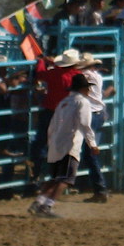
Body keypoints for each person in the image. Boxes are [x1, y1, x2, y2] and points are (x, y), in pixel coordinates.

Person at [27, 73, 98, 219]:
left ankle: (39, 201)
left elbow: (52, 125)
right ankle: (47, 205)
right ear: (83, 89)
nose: (89, 91)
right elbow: (85, 125)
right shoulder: (82, 103)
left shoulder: (64, 102)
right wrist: (92, 144)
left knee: (55, 177)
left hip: (57, 143)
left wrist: (50, 142)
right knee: (65, 179)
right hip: (70, 144)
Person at [29, 48, 81, 185]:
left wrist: (41, 61)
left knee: (41, 142)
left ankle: (36, 175)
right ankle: (60, 177)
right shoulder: (77, 76)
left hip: (51, 111)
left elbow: (40, 74)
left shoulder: (55, 73)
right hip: (68, 115)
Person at [75, 52, 113, 203]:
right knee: (90, 152)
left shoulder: (84, 77)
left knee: (88, 153)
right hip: (98, 114)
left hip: (89, 116)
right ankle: (98, 188)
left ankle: (100, 188)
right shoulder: (96, 76)